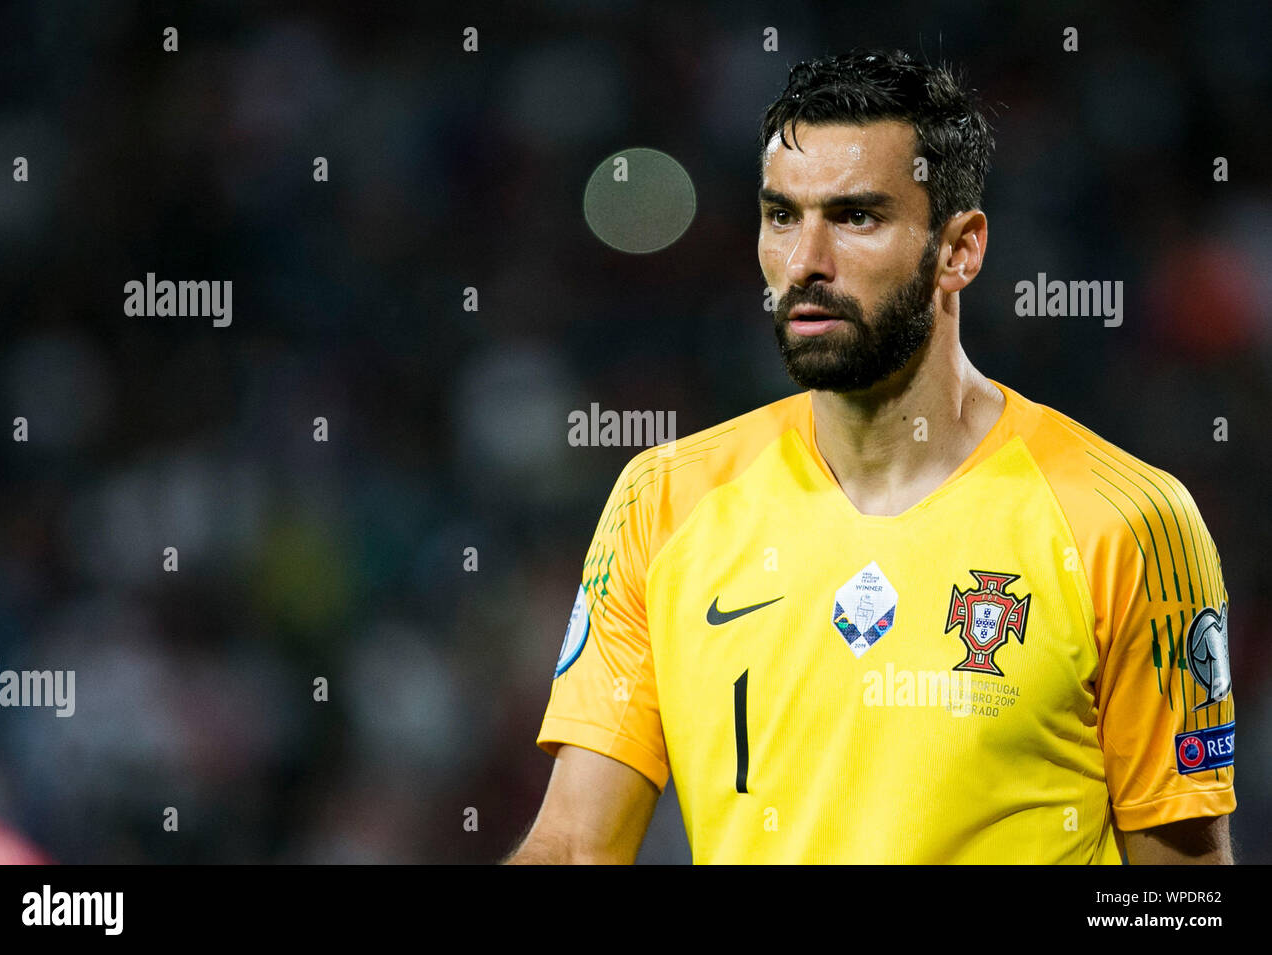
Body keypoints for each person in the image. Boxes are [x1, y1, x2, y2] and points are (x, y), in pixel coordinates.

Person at [506, 49, 1234, 864]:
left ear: (959, 249)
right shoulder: (664, 502)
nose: (806, 263)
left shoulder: (1130, 520)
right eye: (782, 215)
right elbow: (573, 845)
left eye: (856, 217)